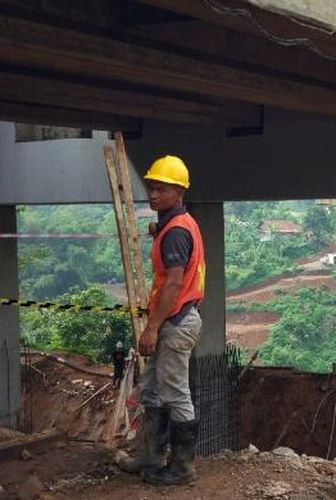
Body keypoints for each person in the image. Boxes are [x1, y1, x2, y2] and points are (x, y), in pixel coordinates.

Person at [118, 155, 205, 486]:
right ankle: (152, 457)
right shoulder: (176, 224)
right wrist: (157, 228)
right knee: (152, 389)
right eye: (151, 187)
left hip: (175, 321)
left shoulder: (176, 233)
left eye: (160, 189)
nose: (152, 194)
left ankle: (182, 467)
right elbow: (171, 234)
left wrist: (152, 328)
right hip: (174, 318)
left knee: (174, 392)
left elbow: (172, 283)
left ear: (178, 192)